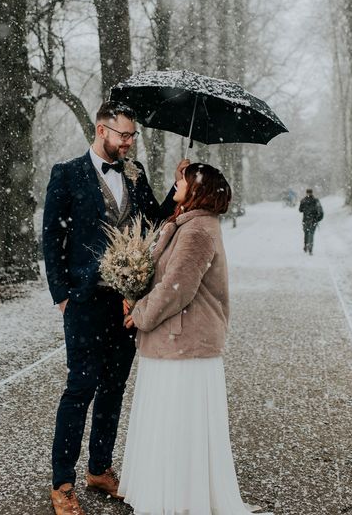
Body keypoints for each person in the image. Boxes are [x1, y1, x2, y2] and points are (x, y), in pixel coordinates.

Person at [42, 100, 187, 515]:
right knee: (80, 388)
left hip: (128, 302)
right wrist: (63, 295)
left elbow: (154, 222)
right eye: (123, 135)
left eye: (133, 136)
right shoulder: (67, 174)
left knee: (113, 388)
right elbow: (51, 239)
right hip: (85, 302)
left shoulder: (135, 174)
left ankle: (100, 469)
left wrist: (178, 193)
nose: (129, 142)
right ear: (101, 130)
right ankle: (63, 484)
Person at [120, 163, 272, 515]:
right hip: (172, 341)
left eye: (182, 181)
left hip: (185, 343)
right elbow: (162, 274)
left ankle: (181, 500)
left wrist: (139, 313)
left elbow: (177, 288)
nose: (175, 184)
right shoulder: (185, 224)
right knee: (169, 424)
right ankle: (169, 492)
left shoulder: (197, 231)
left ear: (198, 191)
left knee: (178, 426)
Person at [299, 188, 323, 255]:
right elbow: (320, 211)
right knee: (311, 233)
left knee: (306, 233)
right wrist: (318, 219)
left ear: (306, 193)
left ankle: (306, 245)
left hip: (306, 219)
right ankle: (310, 248)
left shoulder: (303, 200)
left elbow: (300, 210)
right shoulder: (316, 201)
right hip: (313, 220)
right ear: (312, 193)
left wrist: (304, 207)